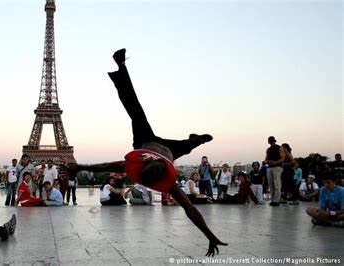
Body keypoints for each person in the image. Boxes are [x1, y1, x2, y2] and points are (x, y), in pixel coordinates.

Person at [68, 49, 226, 256]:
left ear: (146, 163)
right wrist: (209, 234)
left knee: (135, 109)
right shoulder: (169, 183)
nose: (153, 162)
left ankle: (121, 68)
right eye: (156, 164)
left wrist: (79, 166)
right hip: (170, 150)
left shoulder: (134, 165)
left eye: (151, 163)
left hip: (145, 141)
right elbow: (190, 210)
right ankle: (196, 138)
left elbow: (104, 166)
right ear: (161, 170)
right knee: (188, 145)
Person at [264, 136, 285, 206]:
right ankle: (273, 200)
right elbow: (266, 159)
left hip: (277, 167)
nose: (270, 142)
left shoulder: (279, 148)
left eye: (271, 141)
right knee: (271, 185)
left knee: (277, 184)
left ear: (274, 141)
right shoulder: (268, 149)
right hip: (269, 168)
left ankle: (277, 200)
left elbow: (283, 158)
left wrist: (275, 162)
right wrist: (267, 161)